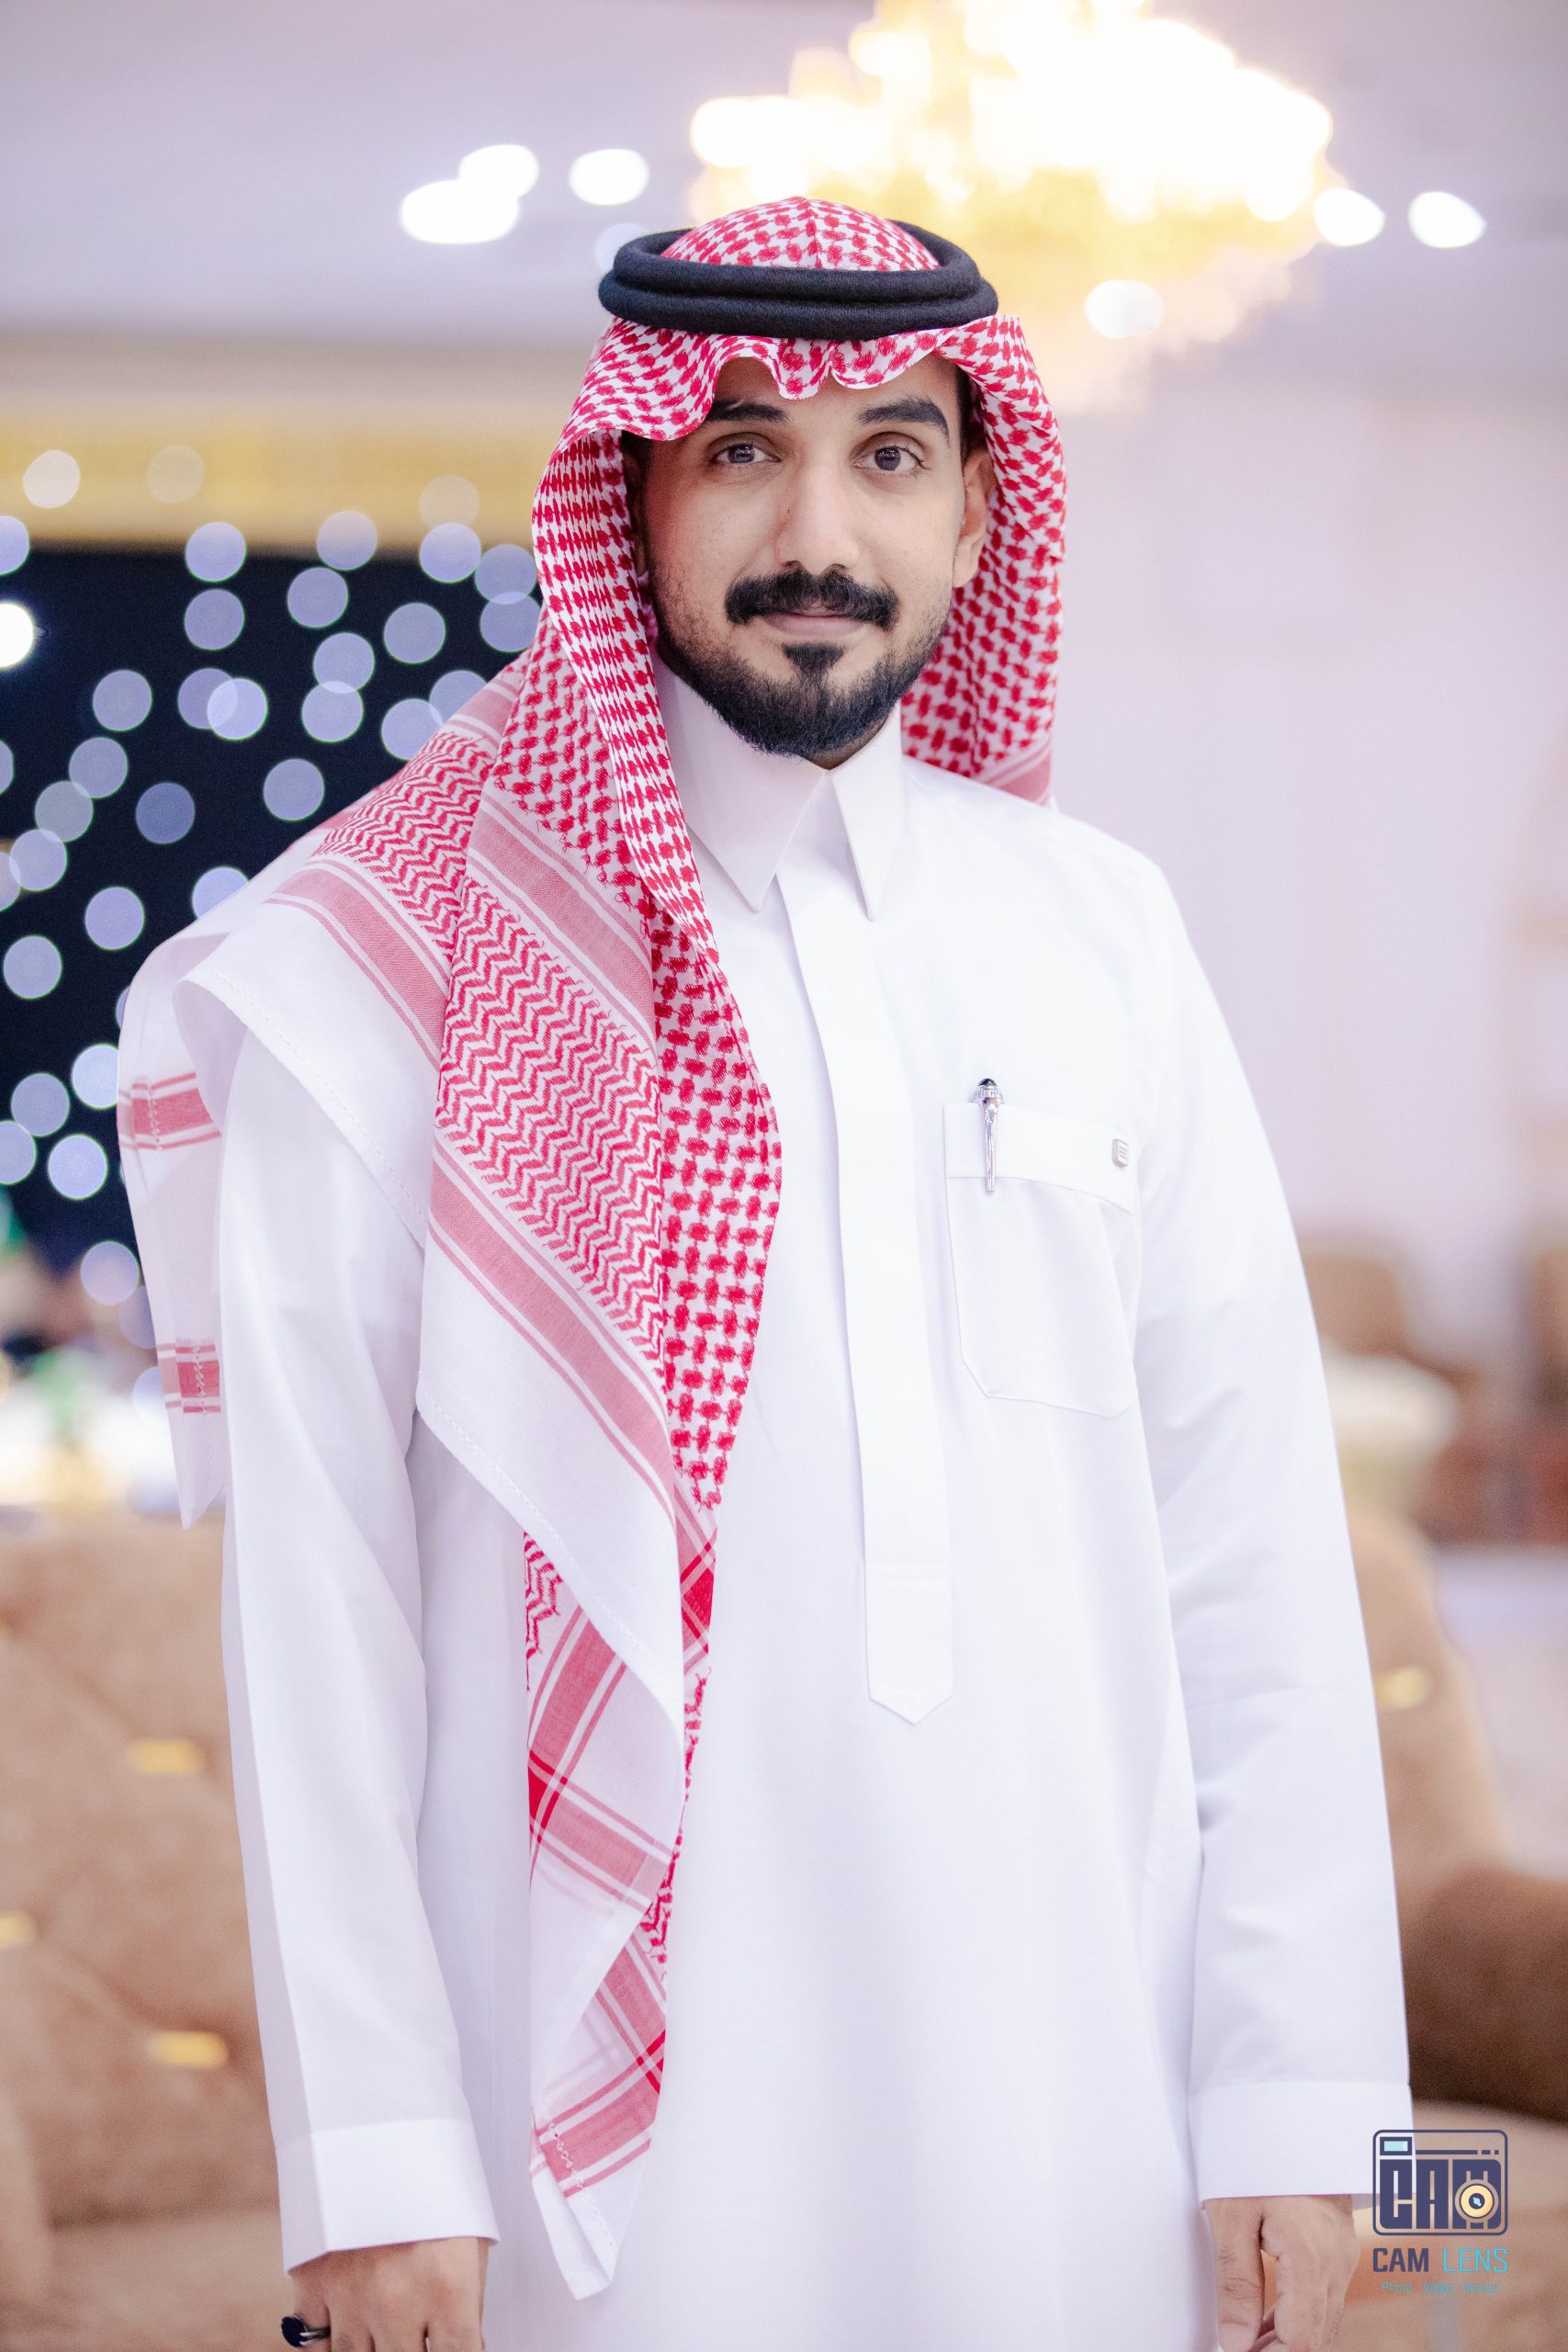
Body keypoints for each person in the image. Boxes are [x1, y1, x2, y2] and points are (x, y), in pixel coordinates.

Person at [118, 201, 1412, 2352]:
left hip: (1077, 2093)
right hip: (594, 2162)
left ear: (979, 512)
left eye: (887, 455)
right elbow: (319, 1615)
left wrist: (1299, 2089)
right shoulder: (377, 976)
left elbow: (1248, 1547)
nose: (816, 532)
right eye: (738, 449)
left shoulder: (1098, 935)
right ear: (626, 493)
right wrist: (374, 2153)